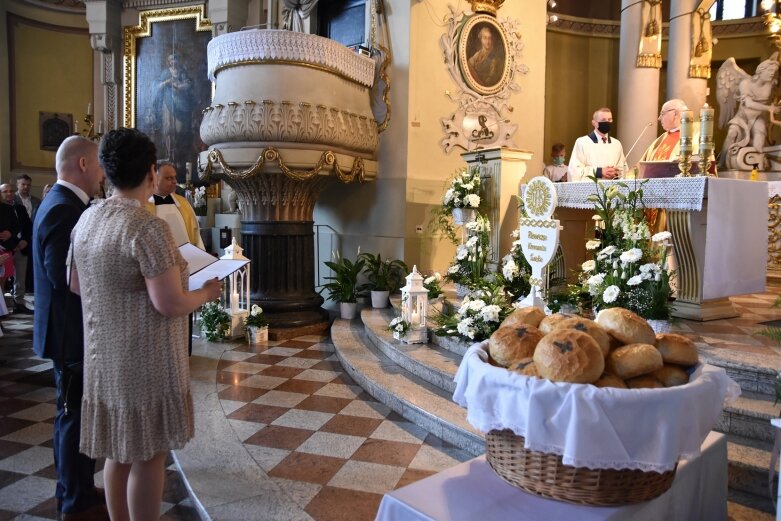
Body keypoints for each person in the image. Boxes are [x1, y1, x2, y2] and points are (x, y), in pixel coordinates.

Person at [69, 128, 221, 521]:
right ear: (152, 173)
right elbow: (169, 303)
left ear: (106, 170)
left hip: (103, 356)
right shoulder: (147, 227)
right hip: (145, 360)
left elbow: (74, 283)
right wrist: (206, 293)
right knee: (149, 456)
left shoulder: (88, 218)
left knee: (120, 451)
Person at [33, 136, 108, 520]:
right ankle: (73, 499)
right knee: (71, 415)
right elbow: (61, 277)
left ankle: (79, 486)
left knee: (77, 414)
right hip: (68, 332)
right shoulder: (63, 208)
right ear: (82, 164)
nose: (101, 175)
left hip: (71, 330)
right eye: (98, 166)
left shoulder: (64, 204)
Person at [145, 160, 204, 248]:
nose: (174, 181)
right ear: (155, 179)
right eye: (169, 178)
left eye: (174, 177)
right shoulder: (144, 207)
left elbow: (197, 236)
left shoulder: (184, 204)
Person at [568, 107, 627, 182]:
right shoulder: (582, 142)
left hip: (613, 188)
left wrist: (615, 172)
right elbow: (574, 171)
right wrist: (599, 171)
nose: (607, 122)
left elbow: (623, 170)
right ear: (594, 123)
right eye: (603, 120)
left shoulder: (616, 144)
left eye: (609, 120)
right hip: (591, 189)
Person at [0, 183, 32, 313]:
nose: (9, 193)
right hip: (4, 248)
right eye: (5, 191)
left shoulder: (17, 208)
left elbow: (22, 226)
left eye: (11, 191)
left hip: (14, 247)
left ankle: (16, 303)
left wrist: (15, 236)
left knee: (17, 278)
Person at [15, 174, 40, 298]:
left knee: (28, 265)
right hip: (16, 238)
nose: (26, 187)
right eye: (23, 184)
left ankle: (28, 290)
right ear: (17, 185)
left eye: (28, 185)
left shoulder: (36, 200)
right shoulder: (11, 199)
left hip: (31, 236)